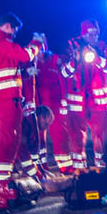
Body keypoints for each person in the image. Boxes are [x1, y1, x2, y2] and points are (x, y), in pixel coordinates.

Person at [0, 13, 42, 182]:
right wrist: (37, 42)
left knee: (7, 136)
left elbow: (10, 64)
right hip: (5, 97)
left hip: (6, 97)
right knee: (8, 137)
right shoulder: (0, 40)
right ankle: (1, 178)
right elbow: (25, 55)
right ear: (8, 26)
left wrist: (24, 72)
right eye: (15, 29)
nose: (15, 33)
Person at [65, 19, 107, 170]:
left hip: (98, 102)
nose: (93, 36)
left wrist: (98, 59)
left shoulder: (102, 47)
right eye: (90, 33)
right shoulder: (72, 46)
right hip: (77, 101)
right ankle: (79, 170)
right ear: (83, 34)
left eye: (95, 33)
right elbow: (64, 72)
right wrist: (74, 62)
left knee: (102, 135)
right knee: (76, 137)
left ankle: (103, 167)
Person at [35, 36, 74, 174]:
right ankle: (41, 166)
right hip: (40, 105)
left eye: (40, 48)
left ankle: (66, 167)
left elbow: (65, 81)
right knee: (38, 137)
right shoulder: (33, 64)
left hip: (56, 104)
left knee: (60, 135)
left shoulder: (56, 61)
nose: (38, 52)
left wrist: (64, 100)